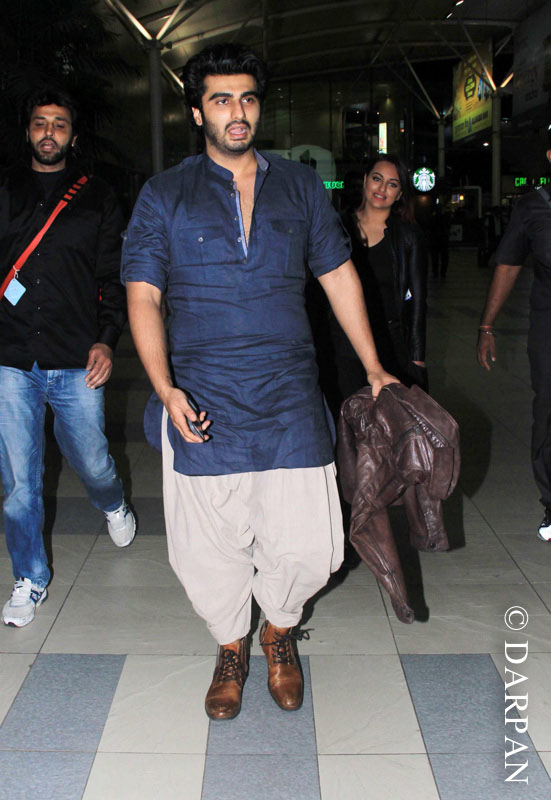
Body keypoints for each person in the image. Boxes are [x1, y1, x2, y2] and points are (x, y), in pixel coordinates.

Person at [122, 42, 397, 721]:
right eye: (221, 100)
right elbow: (144, 295)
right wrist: (165, 387)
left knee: (313, 545)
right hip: (202, 396)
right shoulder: (164, 194)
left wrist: (372, 365)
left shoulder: (299, 186)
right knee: (205, 550)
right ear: (197, 113)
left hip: (288, 393)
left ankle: (277, 629)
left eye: (246, 98)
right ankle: (230, 646)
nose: (236, 112)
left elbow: (337, 275)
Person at [0, 88, 135, 628]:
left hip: (77, 356)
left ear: (72, 135)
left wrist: (106, 339)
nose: (49, 132)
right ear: (28, 131)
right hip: (11, 355)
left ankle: (113, 502)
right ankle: (29, 578)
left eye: (59, 124)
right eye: (40, 123)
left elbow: (112, 278)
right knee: (19, 480)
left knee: (93, 460)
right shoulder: (6, 189)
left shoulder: (97, 197)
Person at [477, 134, 551, 543]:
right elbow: (507, 265)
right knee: (548, 410)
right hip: (548, 328)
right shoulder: (533, 207)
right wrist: (486, 327)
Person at [331, 154, 428, 401]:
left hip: (390, 343)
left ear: (400, 194)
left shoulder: (408, 236)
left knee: (387, 417)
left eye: (392, 184)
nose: (382, 189)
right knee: (344, 412)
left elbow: (417, 301)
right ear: (365, 180)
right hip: (342, 341)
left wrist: (417, 359)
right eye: (377, 179)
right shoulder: (337, 227)